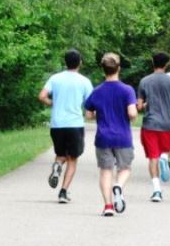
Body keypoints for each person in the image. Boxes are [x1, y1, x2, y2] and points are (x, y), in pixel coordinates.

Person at [84, 53, 137, 217]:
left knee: (105, 171)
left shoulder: (96, 91)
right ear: (118, 68)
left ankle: (108, 206)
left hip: (103, 138)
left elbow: (88, 115)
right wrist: (132, 116)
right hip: (123, 137)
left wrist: (99, 113)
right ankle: (118, 186)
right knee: (125, 168)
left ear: (103, 70)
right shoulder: (127, 90)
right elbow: (132, 113)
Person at [38, 49, 93, 203]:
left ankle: (57, 166)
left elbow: (42, 96)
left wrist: (52, 103)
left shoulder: (55, 78)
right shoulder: (84, 81)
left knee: (61, 155)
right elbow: (90, 104)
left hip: (57, 124)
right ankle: (63, 192)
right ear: (80, 62)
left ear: (65, 62)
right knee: (72, 159)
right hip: (75, 124)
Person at [137, 53, 170, 202]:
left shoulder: (144, 81)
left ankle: (157, 191)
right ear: (167, 64)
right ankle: (164, 157)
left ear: (153, 62)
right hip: (167, 123)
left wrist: (146, 104)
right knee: (164, 151)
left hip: (150, 124)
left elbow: (139, 106)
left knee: (153, 157)